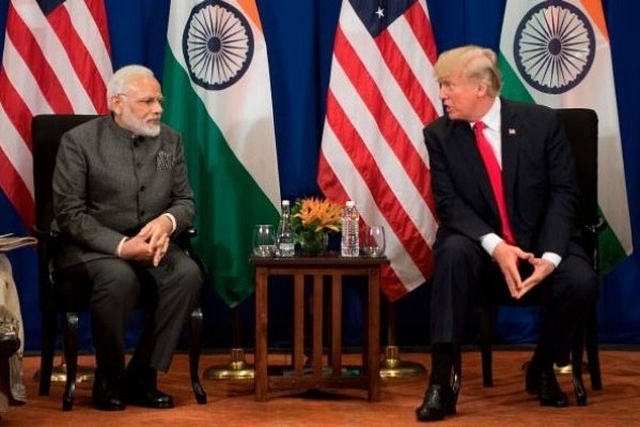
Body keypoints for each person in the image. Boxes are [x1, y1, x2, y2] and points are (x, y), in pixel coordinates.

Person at [416, 45, 598, 422]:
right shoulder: (439, 135)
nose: (442, 95)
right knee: (451, 254)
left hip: (539, 243)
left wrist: (549, 257)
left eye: (449, 85)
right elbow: (449, 204)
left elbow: (564, 193)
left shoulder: (541, 123)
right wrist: (496, 247)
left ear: (481, 88)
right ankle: (441, 382)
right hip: (479, 246)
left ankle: (543, 368)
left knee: (580, 279)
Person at [52, 65, 203, 411]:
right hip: (91, 248)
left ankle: (143, 376)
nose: (158, 109)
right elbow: (69, 214)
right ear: (117, 103)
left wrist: (166, 223)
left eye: (159, 101)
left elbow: (185, 201)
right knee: (119, 277)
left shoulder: (170, 140)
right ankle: (108, 377)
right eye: (147, 101)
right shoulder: (79, 142)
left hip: (152, 244)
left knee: (187, 274)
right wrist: (121, 247)